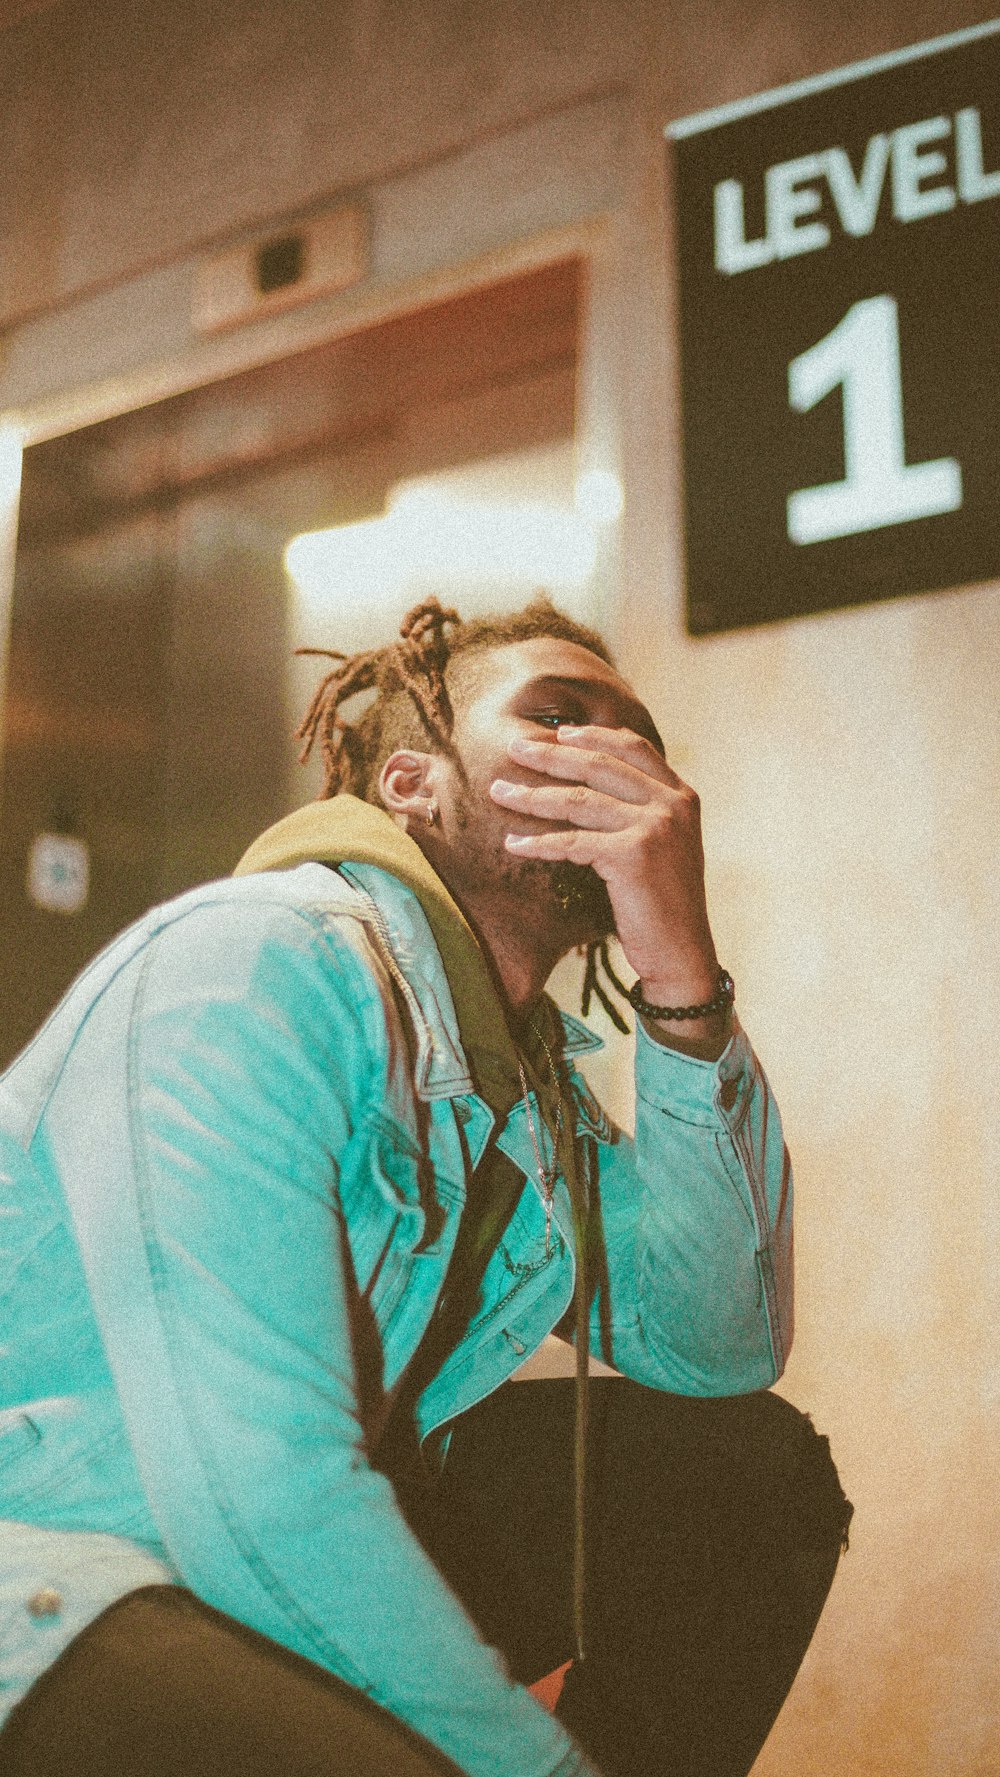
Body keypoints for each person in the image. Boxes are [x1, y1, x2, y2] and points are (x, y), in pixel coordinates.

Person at [0, 596, 852, 1777]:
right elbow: (259, 1487)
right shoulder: (250, 965)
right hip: (61, 1566)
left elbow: (720, 1346)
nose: (615, 760)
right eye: (555, 720)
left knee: (743, 1476)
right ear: (410, 784)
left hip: (277, 1535)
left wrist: (680, 969)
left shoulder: (528, 1090)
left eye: (638, 737)